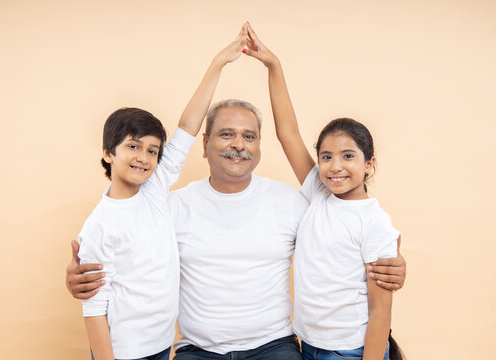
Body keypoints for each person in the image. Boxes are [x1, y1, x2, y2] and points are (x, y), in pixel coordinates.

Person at [67, 25, 407, 360]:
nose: (238, 145)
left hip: (275, 347)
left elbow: (341, 245)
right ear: (204, 144)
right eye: (226, 134)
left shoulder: (297, 202)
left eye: (249, 136)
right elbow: (127, 250)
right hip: (197, 351)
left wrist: (390, 266)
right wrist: (81, 279)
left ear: (260, 146)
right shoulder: (168, 207)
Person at [75, 26, 249, 360]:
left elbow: (187, 128)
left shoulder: (153, 191)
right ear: (108, 153)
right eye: (133, 147)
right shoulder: (100, 224)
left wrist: (217, 65)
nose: (143, 157)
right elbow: (94, 308)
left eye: (153, 151)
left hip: (161, 347)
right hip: (123, 353)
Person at [243, 22, 405, 359]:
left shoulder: (375, 222)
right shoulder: (319, 191)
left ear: (369, 163)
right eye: (326, 157)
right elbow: (287, 132)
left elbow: (380, 311)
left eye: (348, 157)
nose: (335, 167)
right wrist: (274, 66)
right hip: (311, 347)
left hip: (351, 351)